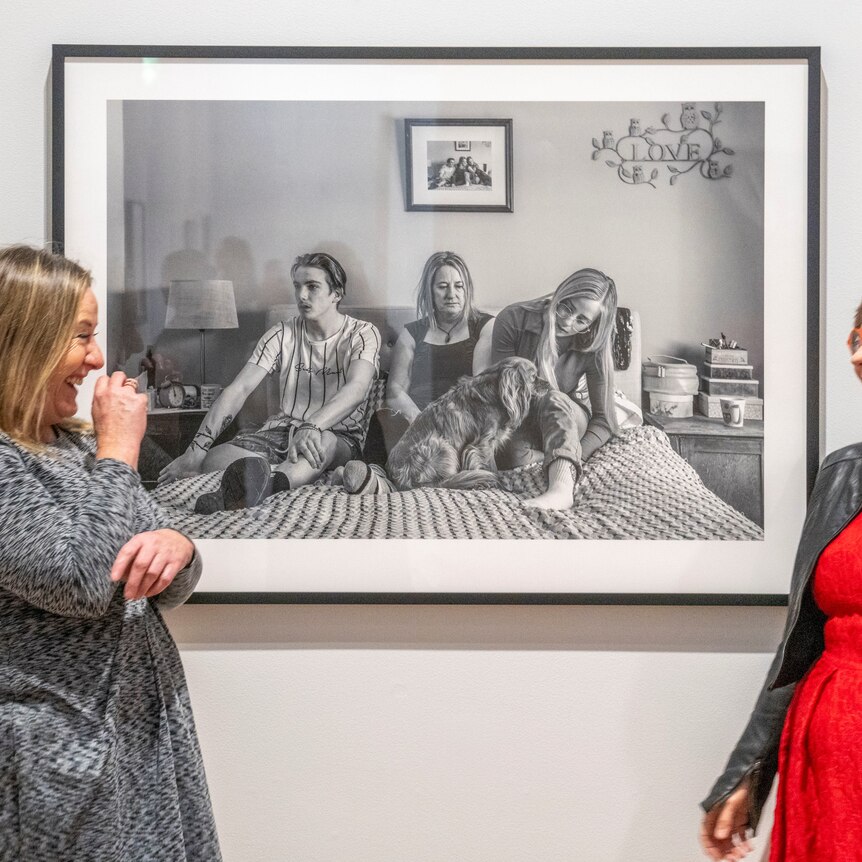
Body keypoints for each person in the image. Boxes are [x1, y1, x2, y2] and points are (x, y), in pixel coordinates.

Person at [0, 245, 220, 860]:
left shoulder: (73, 450)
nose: (96, 359)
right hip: (56, 755)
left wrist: (178, 546)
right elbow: (80, 582)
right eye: (81, 338)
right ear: (28, 341)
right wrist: (119, 450)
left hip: (140, 736)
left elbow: (164, 581)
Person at [699, 303, 862, 862]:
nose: (858, 354)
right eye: (858, 338)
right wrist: (745, 774)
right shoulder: (843, 475)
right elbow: (802, 642)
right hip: (828, 756)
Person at [159, 252, 380, 512]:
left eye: (312, 287)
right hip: (281, 431)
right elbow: (238, 389)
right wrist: (195, 451)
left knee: (323, 444)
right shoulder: (282, 333)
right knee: (213, 459)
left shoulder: (363, 334)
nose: (302, 296)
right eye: (297, 286)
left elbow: (356, 389)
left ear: (336, 293)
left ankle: (265, 487)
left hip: (338, 436)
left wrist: (313, 426)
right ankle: (279, 474)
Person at [342, 251, 494, 494]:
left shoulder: (484, 326)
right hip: (416, 423)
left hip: (461, 425)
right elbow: (395, 391)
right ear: (429, 292)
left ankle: (449, 476)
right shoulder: (412, 333)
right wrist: (421, 422)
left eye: (458, 286)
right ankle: (376, 478)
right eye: (442, 287)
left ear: (468, 289)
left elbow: (480, 386)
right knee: (382, 418)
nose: (451, 294)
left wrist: (445, 426)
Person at [490, 267, 619, 509]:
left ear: (593, 325)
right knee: (512, 455)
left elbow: (605, 421)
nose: (568, 321)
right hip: (521, 420)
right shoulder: (513, 319)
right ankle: (557, 454)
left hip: (564, 415)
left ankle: (561, 489)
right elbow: (500, 395)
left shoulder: (595, 344)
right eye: (567, 307)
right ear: (560, 293)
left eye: (582, 319)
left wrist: (577, 455)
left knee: (552, 397)